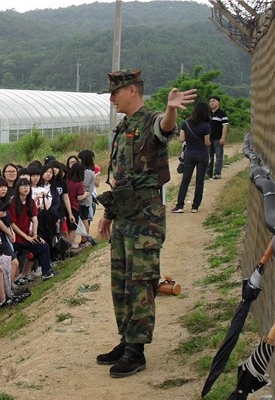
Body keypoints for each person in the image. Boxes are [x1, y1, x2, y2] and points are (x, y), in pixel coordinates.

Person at [96, 69, 196, 378]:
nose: (111, 99)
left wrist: (171, 109)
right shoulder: (124, 125)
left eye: (115, 92)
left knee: (140, 282)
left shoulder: (151, 119)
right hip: (124, 216)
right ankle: (126, 339)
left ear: (132, 91)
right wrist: (109, 215)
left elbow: (164, 128)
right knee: (121, 282)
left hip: (145, 219)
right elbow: (121, 177)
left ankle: (136, 351)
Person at [171, 102, 211, 213]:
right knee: (199, 181)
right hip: (202, 154)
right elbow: (207, 142)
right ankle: (195, 207)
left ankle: (180, 206)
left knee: (185, 181)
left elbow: (181, 139)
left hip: (189, 154)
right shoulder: (206, 125)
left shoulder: (186, 123)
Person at [206, 95, 228, 179]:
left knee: (219, 156)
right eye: (210, 101)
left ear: (218, 102)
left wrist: (223, 138)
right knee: (209, 156)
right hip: (208, 138)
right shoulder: (207, 113)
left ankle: (217, 173)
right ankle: (208, 173)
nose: (212, 103)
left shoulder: (222, 113)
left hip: (218, 138)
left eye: (214, 101)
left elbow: (224, 126)